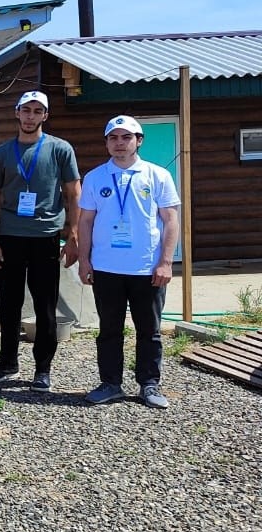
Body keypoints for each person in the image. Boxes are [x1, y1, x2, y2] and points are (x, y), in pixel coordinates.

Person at [77, 116, 180, 409]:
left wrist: (165, 262)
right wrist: (84, 261)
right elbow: (85, 222)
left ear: (139, 140)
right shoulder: (96, 177)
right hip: (107, 267)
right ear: (107, 142)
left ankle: (149, 384)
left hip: (146, 268)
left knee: (149, 329)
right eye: (113, 138)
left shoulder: (158, 175)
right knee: (109, 329)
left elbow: (171, 220)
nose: (119, 144)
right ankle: (111, 383)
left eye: (126, 137)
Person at [0, 90, 81, 392]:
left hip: (45, 237)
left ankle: (43, 368)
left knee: (45, 305)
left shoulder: (60, 149)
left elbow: (73, 192)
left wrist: (73, 233)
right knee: (9, 304)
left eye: (38, 111)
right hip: (10, 237)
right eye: (26, 110)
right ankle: (7, 362)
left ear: (45, 116)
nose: (31, 116)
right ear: (17, 113)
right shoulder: (1, 153)